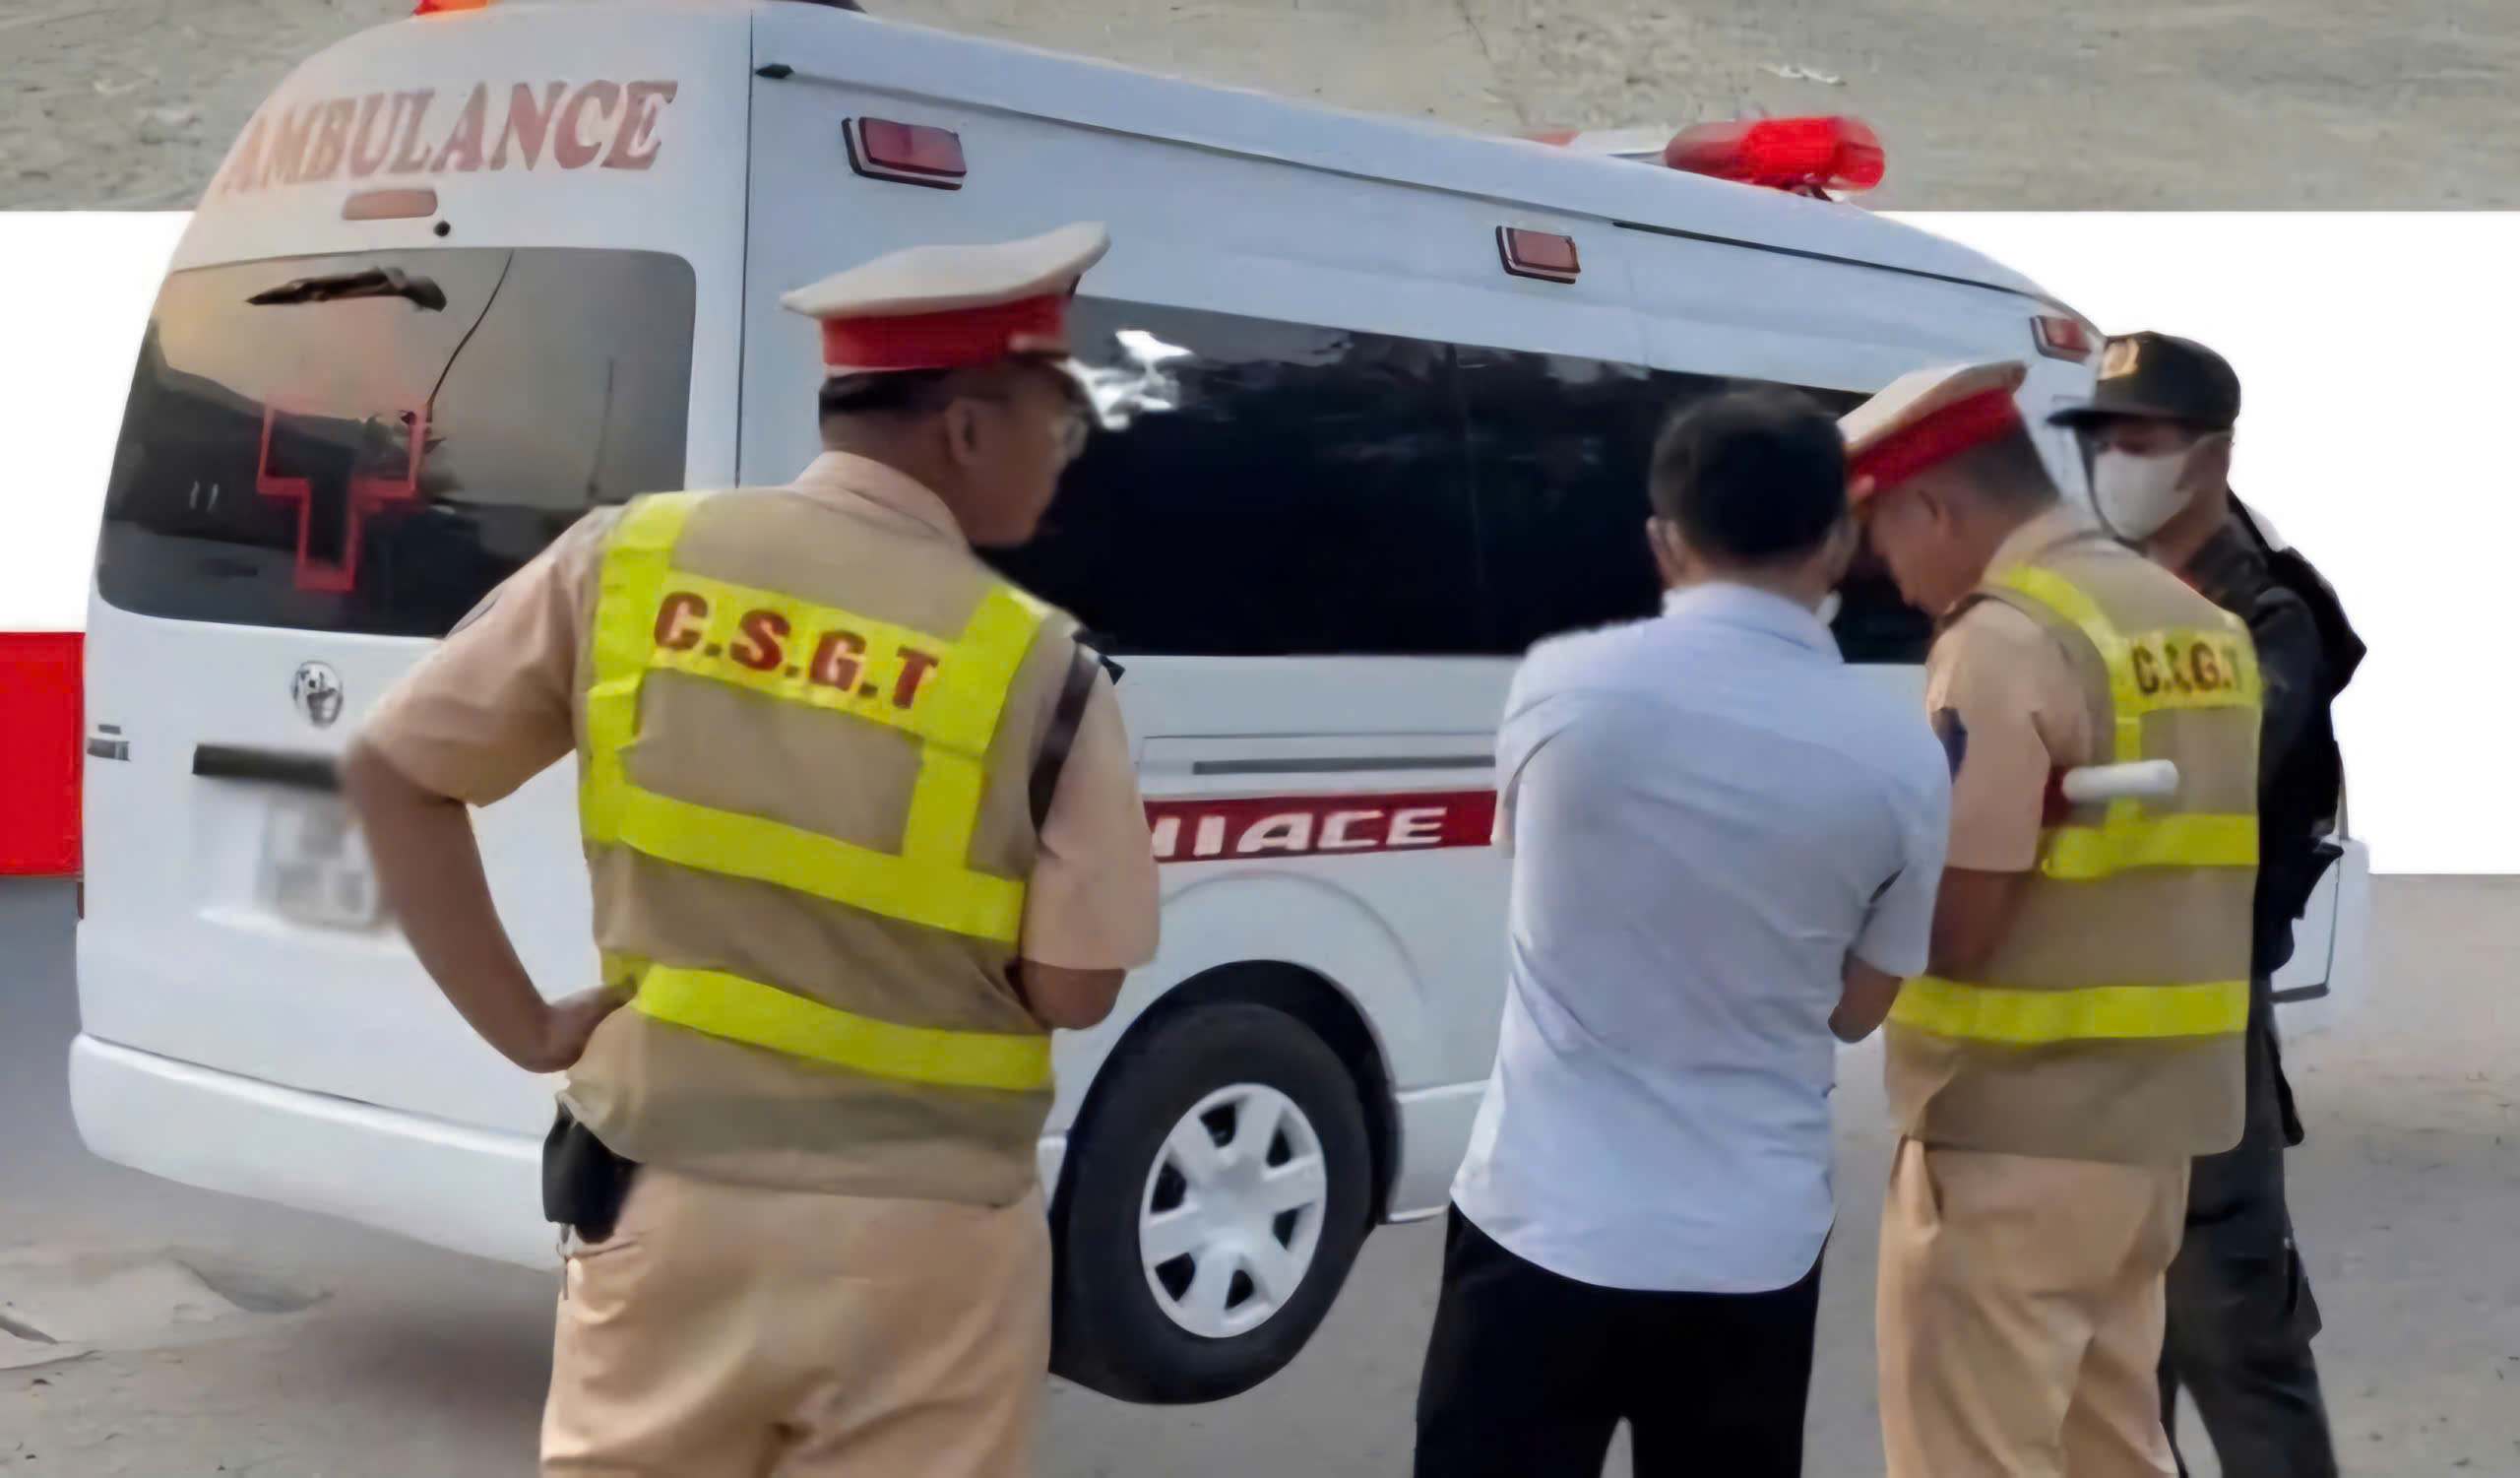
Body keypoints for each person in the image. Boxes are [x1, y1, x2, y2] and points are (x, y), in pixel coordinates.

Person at [341, 223, 1161, 1478]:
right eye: (1056, 418)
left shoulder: (629, 561)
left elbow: (395, 770)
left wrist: (528, 1028)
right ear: (965, 429)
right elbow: (1075, 988)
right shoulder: (1040, 667)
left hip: (668, 1196)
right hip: (928, 1239)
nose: (1067, 451)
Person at [1416, 389, 1954, 1477]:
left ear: (1665, 542)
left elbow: (1538, 871)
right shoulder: (1902, 755)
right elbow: (1857, 1011)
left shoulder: (1559, 687)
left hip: (1539, 1216)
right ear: (1839, 539)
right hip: (1748, 1245)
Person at [1845, 359, 2260, 1478]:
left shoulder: (2002, 640)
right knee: (2112, 1446)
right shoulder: (2198, 625)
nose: (1890, 577)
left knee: (1972, 1454)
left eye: (1882, 538)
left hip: (2010, 1136)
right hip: (2150, 1136)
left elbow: (1956, 928)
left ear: (1932, 507)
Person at [2055, 331, 2362, 1478]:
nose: (2112, 462)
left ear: (2211, 455)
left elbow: (2209, 769)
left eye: (2139, 441)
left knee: (2231, 1335)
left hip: (2198, 1020)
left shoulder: (2264, 612)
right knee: (2107, 1363)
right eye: (2100, 439)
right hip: (2088, 1018)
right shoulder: (2097, 590)